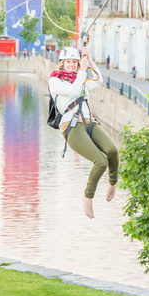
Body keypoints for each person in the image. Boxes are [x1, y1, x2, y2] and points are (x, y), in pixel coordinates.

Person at [49, 46, 118, 219]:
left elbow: (98, 80)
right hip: (72, 127)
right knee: (101, 161)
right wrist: (82, 70)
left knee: (112, 150)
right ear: (62, 63)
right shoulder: (56, 81)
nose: (72, 65)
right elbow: (73, 91)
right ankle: (88, 196)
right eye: (68, 62)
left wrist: (89, 58)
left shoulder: (80, 78)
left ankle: (113, 183)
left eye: (74, 61)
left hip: (89, 122)